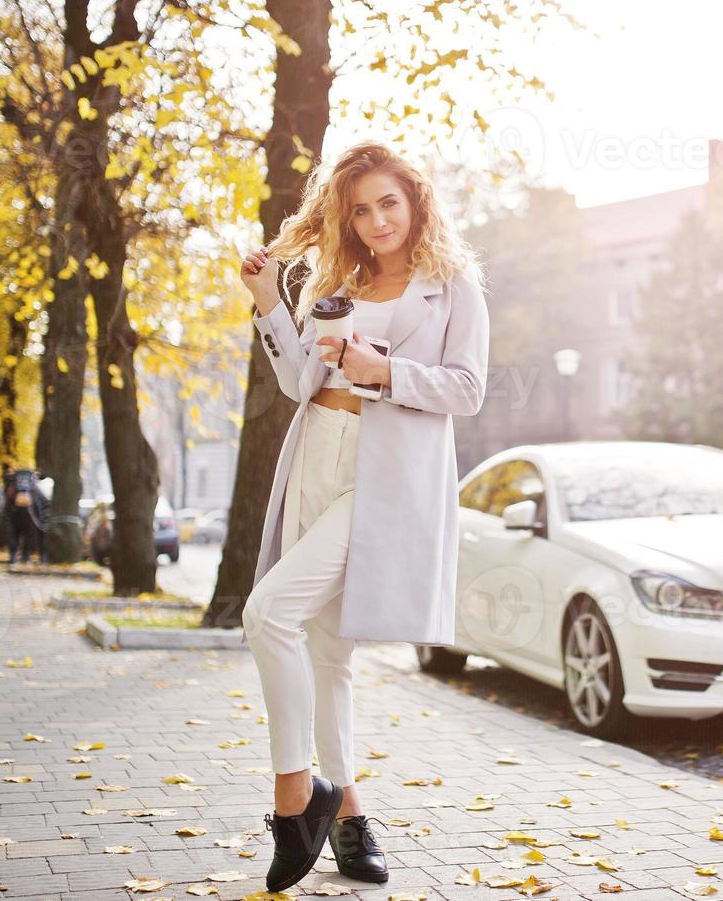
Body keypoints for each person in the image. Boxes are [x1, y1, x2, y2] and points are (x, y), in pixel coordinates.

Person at [238, 141, 489, 892]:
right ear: (344, 218)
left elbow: (468, 389)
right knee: (324, 650)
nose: (378, 219)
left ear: (415, 202)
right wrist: (267, 303)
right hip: (316, 447)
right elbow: (296, 381)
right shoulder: (336, 281)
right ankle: (348, 817)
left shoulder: (453, 285)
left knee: (267, 615)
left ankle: (297, 796)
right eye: (360, 208)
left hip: (383, 473)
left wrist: (384, 373)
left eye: (389, 202)